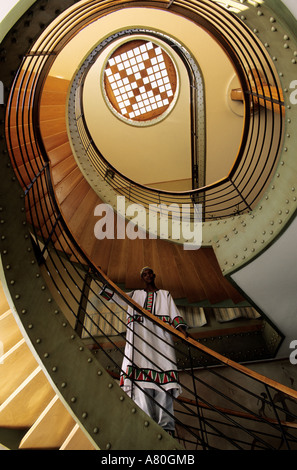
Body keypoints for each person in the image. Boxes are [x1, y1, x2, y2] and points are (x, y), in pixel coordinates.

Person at [101, 267, 188, 436]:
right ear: (142, 278)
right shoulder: (135, 295)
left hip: (161, 342)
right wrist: (103, 281)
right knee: (140, 385)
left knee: (165, 383)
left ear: (154, 276)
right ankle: (146, 427)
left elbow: (174, 314)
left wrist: (181, 328)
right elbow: (117, 297)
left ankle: (166, 429)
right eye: (144, 274)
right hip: (140, 343)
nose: (147, 276)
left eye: (149, 273)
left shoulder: (164, 294)